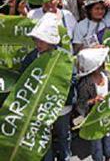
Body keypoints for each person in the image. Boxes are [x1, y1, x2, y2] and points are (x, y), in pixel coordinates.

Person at [20, 12, 76, 161]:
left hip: (61, 107)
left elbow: (73, 78)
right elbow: (22, 79)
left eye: (42, 40)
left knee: (64, 135)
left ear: (51, 41)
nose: (38, 44)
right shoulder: (31, 58)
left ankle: (65, 157)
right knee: (44, 138)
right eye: (36, 40)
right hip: (39, 109)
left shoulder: (65, 57)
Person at [76, 48, 110, 161]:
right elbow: (80, 105)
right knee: (96, 145)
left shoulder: (105, 74)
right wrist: (93, 101)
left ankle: (108, 157)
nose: (104, 63)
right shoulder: (85, 83)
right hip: (94, 119)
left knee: (108, 141)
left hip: (108, 116)